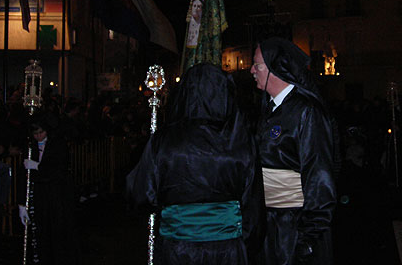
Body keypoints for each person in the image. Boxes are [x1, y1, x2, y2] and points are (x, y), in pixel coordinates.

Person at [128, 63, 265, 264]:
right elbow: (253, 207)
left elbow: (141, 194)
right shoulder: (240, 142)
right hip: (225, 251)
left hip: (179, 249)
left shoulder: (164, 141)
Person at [250, 37, 336, 265]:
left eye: (257, 65)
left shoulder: (306, 112)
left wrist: (308, 238)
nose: (251, 70)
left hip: (293, 229)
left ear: (276, 69)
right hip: (271, 225)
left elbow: (320, 178)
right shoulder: (271, 109)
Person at [18, 115, 79, 264]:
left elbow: (59, 168)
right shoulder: (30, 146)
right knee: (40, 230)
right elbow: (24, 176)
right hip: (40, 193)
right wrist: (21, 203)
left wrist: (38, 166)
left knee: (58, 230)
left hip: (57, 193)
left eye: (41, 133)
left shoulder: (57, 144)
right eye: (35, 134)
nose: (38, 136)